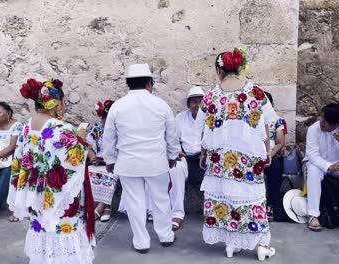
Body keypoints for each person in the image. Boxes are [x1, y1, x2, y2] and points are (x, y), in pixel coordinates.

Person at [197, 48, 278, 261]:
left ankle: (231, 244)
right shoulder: (256, 92)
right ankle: (261, 245)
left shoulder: (211, 96)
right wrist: (267, 151)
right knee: (253, 201)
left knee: (226, 199)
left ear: (218, 70)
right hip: (249, 160)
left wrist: (203, 155)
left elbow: (206, 130)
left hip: (220, 160)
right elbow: (267, 126)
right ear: (240, 68)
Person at [7, 78, 95, 263]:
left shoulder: (28, 126)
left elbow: (21, 159)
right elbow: (75, 157)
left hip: (36, 192)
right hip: (57, 193)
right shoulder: (62, 128)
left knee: (43, 228)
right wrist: (80, 138)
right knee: (62, 228)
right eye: (63, 101)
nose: (64, 106)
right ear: (54, 103)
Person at [103, 63, 180, 254]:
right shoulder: (161, 105)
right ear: (149, 83)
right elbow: (172, 135)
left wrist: (110, 160)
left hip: (129, 164)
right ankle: (166, 236)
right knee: (161, 199)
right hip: (156, 162)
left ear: (129, 83)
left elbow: (109, 137)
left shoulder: (117, 107)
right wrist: (172, 156)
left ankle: (141, 241)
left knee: (134, 202)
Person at [304, 103, 339, 232]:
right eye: (321, 118)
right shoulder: (314, 129)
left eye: (325, 121)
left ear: (336, 124)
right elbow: (312, 155)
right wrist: (329, 166)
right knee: (313, 170)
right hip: (319, 165)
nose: (321, 122)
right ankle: (313, 215)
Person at [170, 86, 205, 230]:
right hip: (185, 156)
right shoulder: (179, 118)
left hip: (204, 157)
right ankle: (177, 213)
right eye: (194, 102)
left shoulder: (209, 118)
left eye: (200, 101)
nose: (197, 105)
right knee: (175, 169)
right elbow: (173, 139)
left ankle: (212, 213)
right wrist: (177, 151)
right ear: (188, 104)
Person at [87, 100, 119, 222]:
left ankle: (101, 207)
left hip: (116, 163)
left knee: (111, 175)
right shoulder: (98, 128)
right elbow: (89, 144)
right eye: (104, 120)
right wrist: (92, 157)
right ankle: (107, 207)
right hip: (100, 161)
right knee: (89, 172)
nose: (105, 123)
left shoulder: (120, 130)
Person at [263, 92, 287, 221]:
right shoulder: (251, 120)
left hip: (272, 155)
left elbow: (280, 143)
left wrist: (269, 156)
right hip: (254, 156)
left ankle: (271, 205)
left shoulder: (278, 120)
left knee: (275, 169)